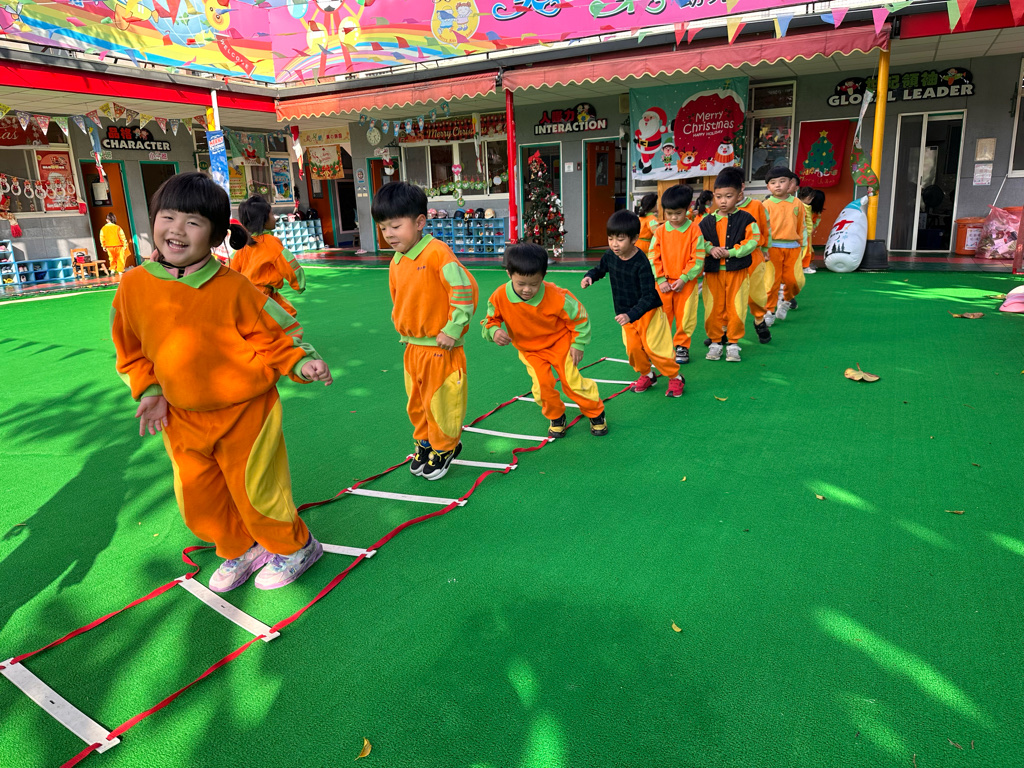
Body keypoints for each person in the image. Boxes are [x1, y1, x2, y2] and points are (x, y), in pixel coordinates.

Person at [110, 172, 332, 593]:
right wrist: (151, 390)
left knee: (257, 489)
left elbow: (274, 336)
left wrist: (301, 363)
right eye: (168, 217)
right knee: (199, 499)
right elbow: (130, 348)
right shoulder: (134, 286)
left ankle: (296, 547)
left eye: (192, 222)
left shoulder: (234, 287)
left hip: (246, 412)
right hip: (181, 416)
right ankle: (240, 547)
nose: (176, 229)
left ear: (215, 236)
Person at [373, 181, 479, 481]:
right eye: (383, 228)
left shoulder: (437, 253)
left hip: (441, 347)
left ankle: (445, 447)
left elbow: (465, 291)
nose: (389, 234)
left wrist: (452, 329)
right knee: (417, 403)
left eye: (396, 226)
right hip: (413, 348)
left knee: (441, 402)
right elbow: (399, 300)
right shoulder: (396, 261)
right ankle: (425, 442)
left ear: (420, 222)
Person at [482, 243, 608, 438]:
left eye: (534, 284)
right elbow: (489, 321)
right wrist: (494, 331)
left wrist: (578, 344)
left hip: (560, 343)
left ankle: (596, 412)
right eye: (521, 283)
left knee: (572, 382)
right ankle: (556, 416)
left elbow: (580, 317)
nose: (527, 289)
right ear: (509, 274)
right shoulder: (499, 296)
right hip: (530, 351)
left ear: (543, 276)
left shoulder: (556, 295)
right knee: (541, 387)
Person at [581, 210, 684, 397]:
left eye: (620, 239)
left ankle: (675, 377)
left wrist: (631, 315)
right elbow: (600, 269)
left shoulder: (641, 262)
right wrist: (590, 276)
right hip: (625, 314)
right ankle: (647, 375)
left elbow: (648, 296)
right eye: (611, 238)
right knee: (633, 349)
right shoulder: (610, 256)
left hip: (648, 313)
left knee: (655, 348)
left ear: (635, 238)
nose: (614, 244)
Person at [699, 169, 760, 362]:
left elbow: (753, 241)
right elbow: (698, 241)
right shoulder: (706, 221)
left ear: (739, 196)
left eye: (728, 196)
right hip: (713, 273)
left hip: (738, 273)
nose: (723, 201)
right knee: (713, 308)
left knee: (737, 308)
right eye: (718, 197)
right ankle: (715, 342)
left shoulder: (747, 219)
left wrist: (731, 252)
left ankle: (733, 343)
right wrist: (710, 249)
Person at [648, 184, 704, 365]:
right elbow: (653, 256)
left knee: (686, 316)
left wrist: (684, 278)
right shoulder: (660, 231)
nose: (673, 217)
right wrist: (660, 279)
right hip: (663, 284)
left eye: (678, 213)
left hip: (685, 283)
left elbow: (698, 257)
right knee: (660, 316)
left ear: (687, 209)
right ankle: (659, 346)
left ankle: (681, 346)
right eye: (669, 213)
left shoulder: (694, 230)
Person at [231, 195, 306, 318]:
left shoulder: (244, 244)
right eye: (271, 214)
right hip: (263, 295)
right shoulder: (270, 242)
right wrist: (299, 284)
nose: (274, 217)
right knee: (286, 317)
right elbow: (288, 264)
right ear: (263, 219)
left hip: (247, 294)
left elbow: (232, 269)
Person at [731, 168, 772, 344]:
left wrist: (766, 248)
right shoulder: (720, 210)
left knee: (756, 294)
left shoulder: (756, 206)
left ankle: (759, 320)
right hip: (731, 259)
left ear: (742, 187)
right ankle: (723, 331)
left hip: (754, 257)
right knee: (730, 297)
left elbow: (766, 227)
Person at [763, 167, 806, 322]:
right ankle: (769, 311)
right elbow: (762, 228)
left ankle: (786, 300)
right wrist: (763, 248)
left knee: (795, 281)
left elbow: (801, 225)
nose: (778, 185)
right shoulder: (766, 204)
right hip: (772, 248)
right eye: (773, 182)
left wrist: (802, 245)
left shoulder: (797, 203)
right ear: (768, 187)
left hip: (793, 248)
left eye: (782, 181)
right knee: (771, 282)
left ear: (790, 183)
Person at [798, 186, 825, 273]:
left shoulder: (813, 210)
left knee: (808, 249)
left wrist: (811, 229)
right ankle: (804, 266)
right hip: (803, 233)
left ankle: (807, 264)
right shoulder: (803, 207)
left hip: (806, 233)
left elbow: (814, 221)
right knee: (805, 249)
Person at [100, 213, 132, 278]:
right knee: (120, 258)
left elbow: (102, 238)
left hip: (109, 246)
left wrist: (103, 246)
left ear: (107, 220)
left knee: (112, 258)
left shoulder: (103, 228)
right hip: (118, 245)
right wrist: (125, 244)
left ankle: (112, 270)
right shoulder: (117, 227)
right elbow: (122, 236)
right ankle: (120, 271)